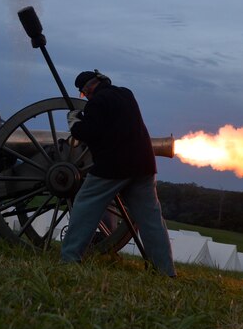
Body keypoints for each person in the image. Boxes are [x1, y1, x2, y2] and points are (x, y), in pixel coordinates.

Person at [60, 70, 176, 277]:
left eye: (84, 94)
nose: (85, 97)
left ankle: (69, 258)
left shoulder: (97, 103)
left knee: (84, 207)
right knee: (151, 220)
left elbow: (88, 134)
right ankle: (165, 271)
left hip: (112, 166)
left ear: (88, 89)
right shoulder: (126, 94)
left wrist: (75, 123)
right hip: (144, 165)